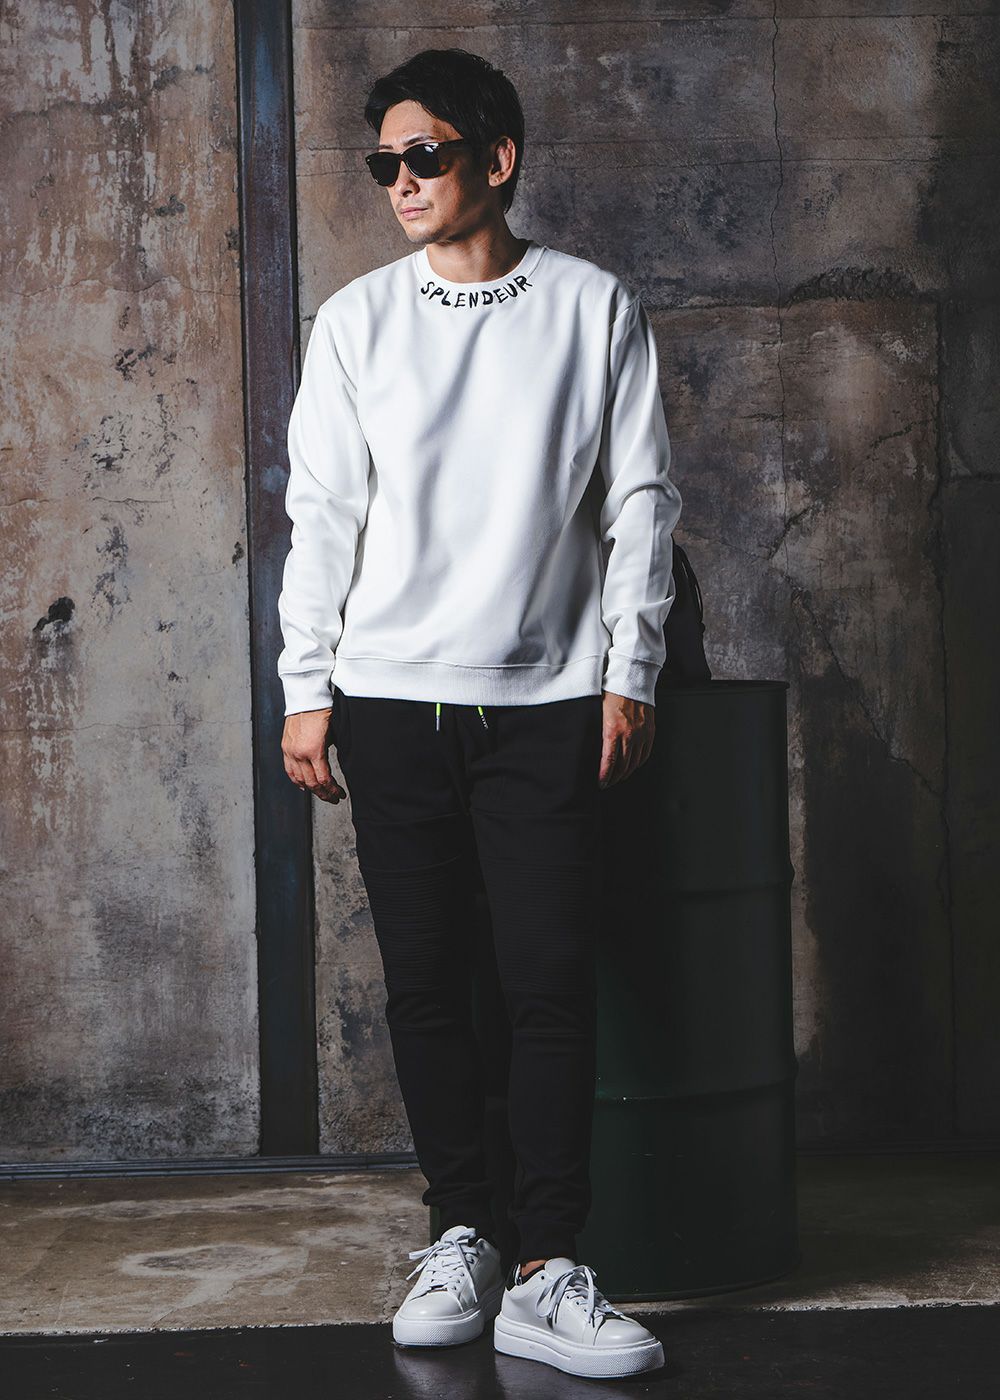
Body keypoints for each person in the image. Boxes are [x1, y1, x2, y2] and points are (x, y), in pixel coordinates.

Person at [276, 48, 681, 1381]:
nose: (401, 181)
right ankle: (462, 1234)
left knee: (547, 984)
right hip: (390, 698)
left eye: (426, 155)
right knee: (428, 985)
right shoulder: (356, 323)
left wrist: (631, 669)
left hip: (548, 698)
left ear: (496, 160)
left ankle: (548, 1267)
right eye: (384, 163)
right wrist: (306, 685)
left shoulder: (592, 307)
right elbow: (323, 515)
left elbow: (640, 500)